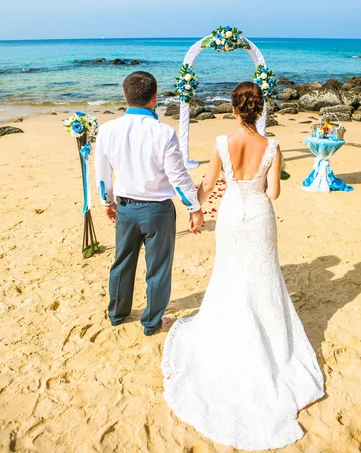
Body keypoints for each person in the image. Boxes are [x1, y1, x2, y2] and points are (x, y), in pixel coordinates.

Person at [162, 82, 324, 451]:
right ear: (259, 110)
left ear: (235, 110)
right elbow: (274, 193)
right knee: (263, 277)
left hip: (233, 216)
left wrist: (195, 209)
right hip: (260, 217)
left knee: (231, 276)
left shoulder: (222, 142)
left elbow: (208, 182)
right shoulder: (273, 146)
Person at [95, 71, 204, 335]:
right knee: (158, 268)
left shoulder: (107, 129)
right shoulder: (164, 132)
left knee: (122, 262)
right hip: (158, 210)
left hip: (127, 207)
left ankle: (117, 313)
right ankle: (151, 322)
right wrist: (194, 207)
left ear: (125, 96)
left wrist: (107, 202)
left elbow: (101, 173)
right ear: (154, 98)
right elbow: (177, 176)